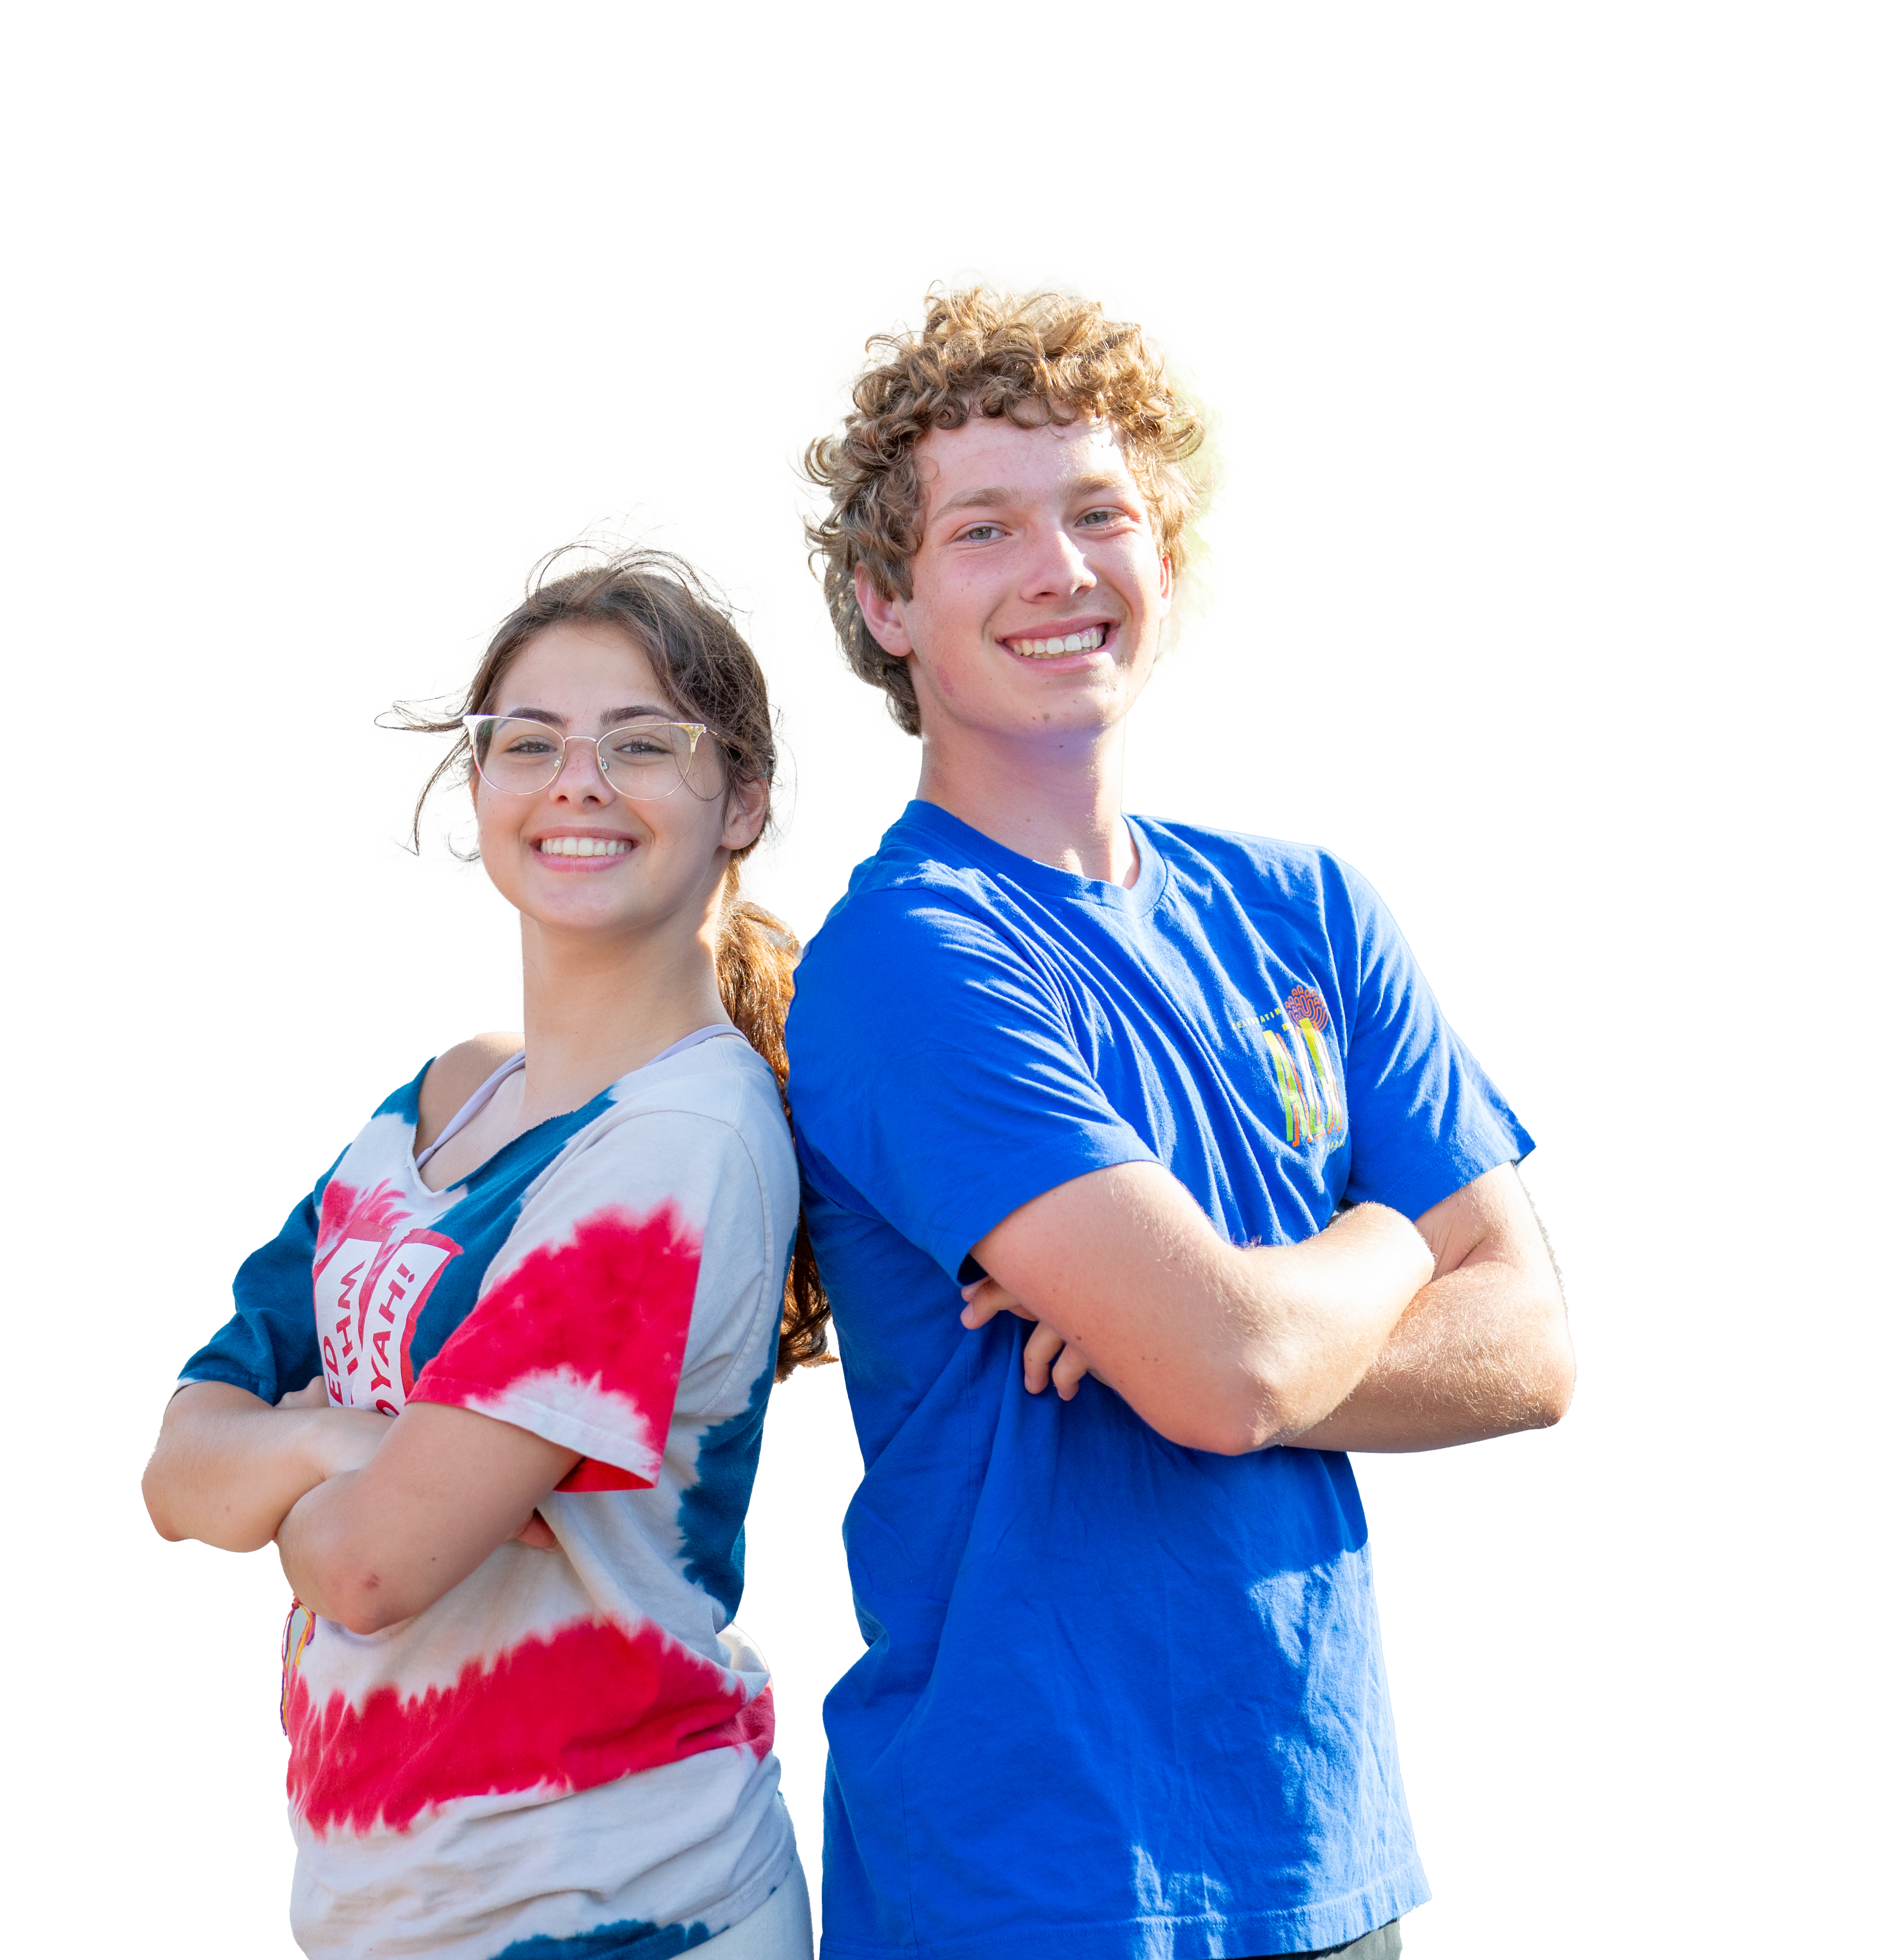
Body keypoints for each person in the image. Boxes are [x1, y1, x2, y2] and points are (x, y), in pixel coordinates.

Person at [785, 280, 1576, 1960]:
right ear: (885, 600)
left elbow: (1529, 1347)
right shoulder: (911, 962)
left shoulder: (1309, 910)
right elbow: (1225, 1378)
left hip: (1312, 1830)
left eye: (1101, 513)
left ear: (1171, 557)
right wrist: (1382, 1237)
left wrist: (1247, 1324)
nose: (1060, 572)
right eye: (983, 528)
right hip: (1027, 1869)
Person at [142, 535, 825, 1960]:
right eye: (531, 742)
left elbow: (373, 1569)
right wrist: (344, 1450)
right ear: (478, 785)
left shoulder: (677, 1149)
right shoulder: (450, 1098)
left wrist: (322, 1463)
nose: (579, 782)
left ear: (741, 799)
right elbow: (176, 1458)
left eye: (643, 744)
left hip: (613, 1909)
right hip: (399, 1909)